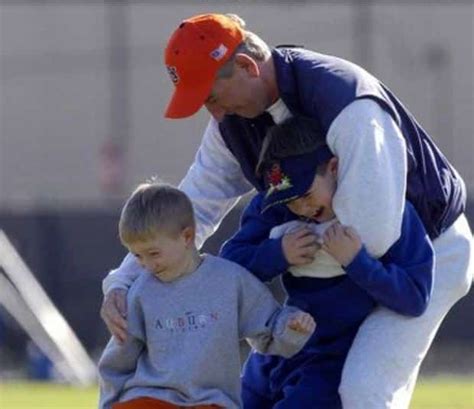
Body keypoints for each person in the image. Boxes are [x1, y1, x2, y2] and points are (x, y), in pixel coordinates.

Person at [101, 13, 473, 408]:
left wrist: (275, 248)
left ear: (246, 66)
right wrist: (124, 282)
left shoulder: (345, 99)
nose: (212, 112)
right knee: (263, 389)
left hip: (425, 258)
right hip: (336, 281)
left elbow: (373, 236)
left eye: (210, 96)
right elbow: (187, 211)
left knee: (364, 392)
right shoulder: (233, 122)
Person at [219, 116, 434, 408]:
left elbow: (415, 297)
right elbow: (229, 266)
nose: (301, 208)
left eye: (306, 194)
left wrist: (357, 262)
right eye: (290, 201)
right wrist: (277, 253)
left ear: (333, 168)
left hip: (332, 359)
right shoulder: (277, 206)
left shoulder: (385, 209)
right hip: (280, 343)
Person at [98, 181, 315, 409]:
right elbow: (117, 362)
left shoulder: (231, 281)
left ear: (187, 236)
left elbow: (269, 331)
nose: (147, 265)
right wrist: (108, 403)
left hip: (210, 402)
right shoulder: (141, 291)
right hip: (150, 399)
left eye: (153, 253)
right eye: (138, 256)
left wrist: (291, 328)